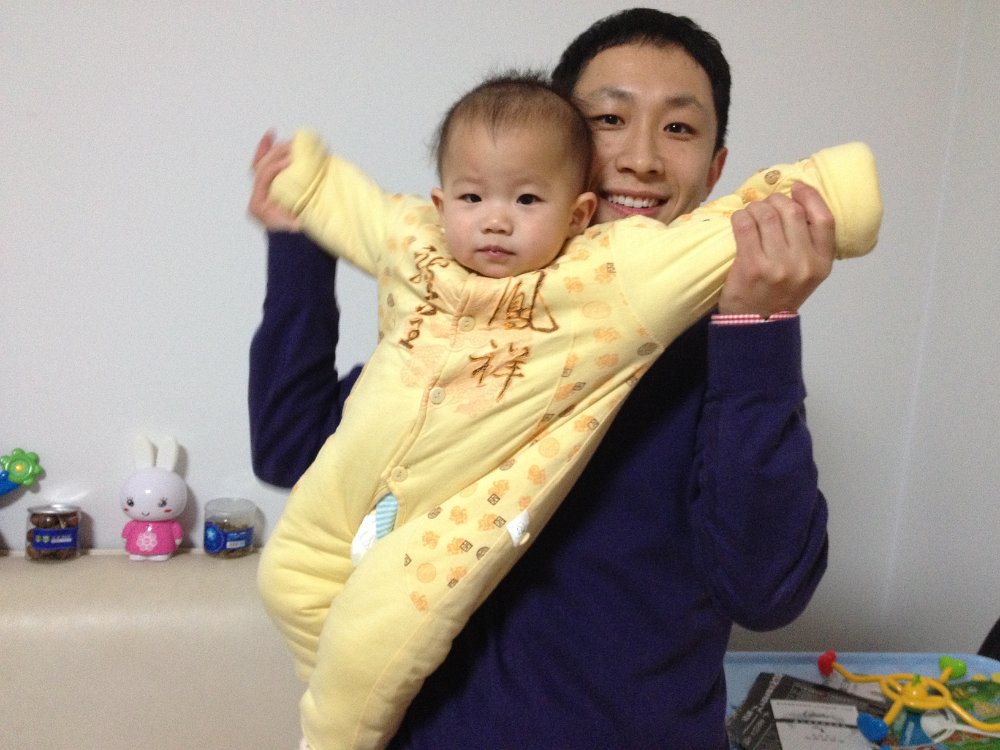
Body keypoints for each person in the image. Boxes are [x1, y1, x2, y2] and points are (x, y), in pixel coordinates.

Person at [248, 9, 854, 749]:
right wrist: (301, 240)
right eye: (609, 119)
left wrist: (759, 329)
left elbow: (766, 593)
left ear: (716, 170)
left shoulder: (725, 346)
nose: (642, 157)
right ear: (557, 139)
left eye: (679, 128)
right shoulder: (470, 320)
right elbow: (292, 449)